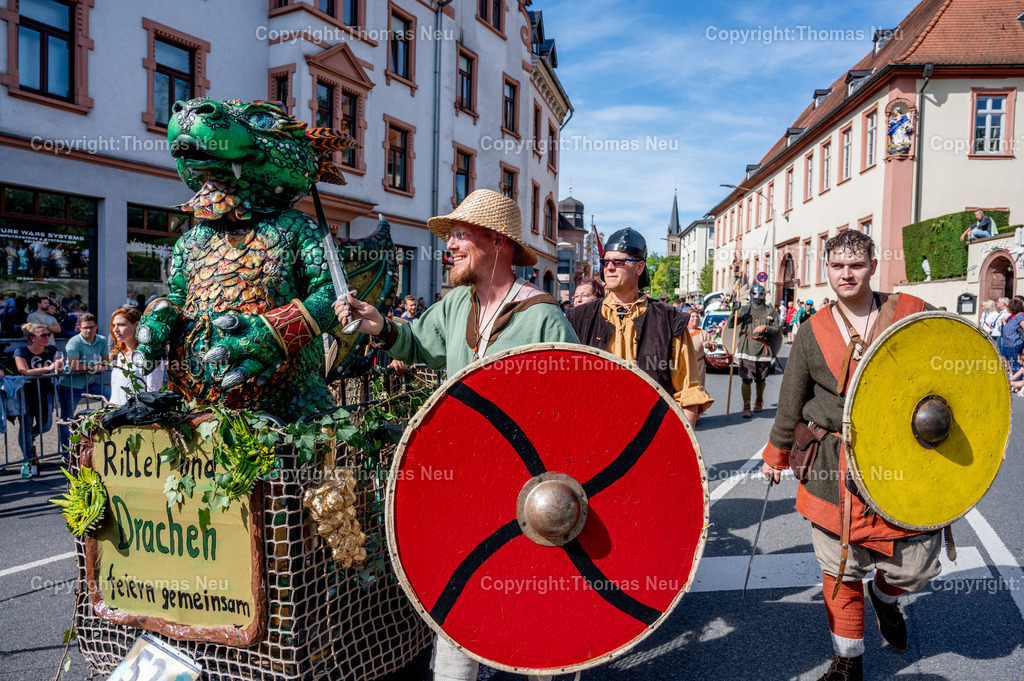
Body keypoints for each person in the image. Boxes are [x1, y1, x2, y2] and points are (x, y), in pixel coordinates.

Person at [333, 189, 577, 681]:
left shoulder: (542, 317)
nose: (451, 246)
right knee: (460, 600)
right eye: (452, 236)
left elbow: (575, 407)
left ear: (499, 243)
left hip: (528, 488)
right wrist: (379, 325)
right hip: (467, 486)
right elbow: (417, 343)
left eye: (463, 235)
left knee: (534, 604)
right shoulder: (454, 306)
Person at [761, 230, 939, 681]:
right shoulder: (811, 331)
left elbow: (950, 365)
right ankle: (847, 661)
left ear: (872, 266)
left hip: (901, 461)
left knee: (915, 564)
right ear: (826, 269)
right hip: (831, 465)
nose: (846, 274)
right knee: (840, 568)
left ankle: (885, 596)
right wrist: (776, 454)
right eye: (837, 265)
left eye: (856, 265)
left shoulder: (911, 313)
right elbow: (791, 400)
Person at [565, 228, 712, 427]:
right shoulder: (579, 318)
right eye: (606, 262)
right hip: (592, 428)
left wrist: (683, 439)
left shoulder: (668, 319)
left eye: (619, 262)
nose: (609, 267)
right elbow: (562, 384)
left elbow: (688, 391)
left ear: (639, 267)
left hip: (651, 431)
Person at [13, 323, 63, 477]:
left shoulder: (51, 350)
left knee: (46, 425)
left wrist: (59, 367)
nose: (47, 337)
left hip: (45, 390)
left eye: (48, 335)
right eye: (43, 335)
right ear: (32, 338)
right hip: (27, 392)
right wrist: (48, 368)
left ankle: (29, 439)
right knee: (26, 426)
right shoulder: (21, 351)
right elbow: (24, 371)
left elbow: (58, 368)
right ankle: (27, 460)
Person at [725, 283, 780, 417]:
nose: (758, 297)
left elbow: (777, 330)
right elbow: (731, 325)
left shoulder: (770, 311)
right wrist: (734, 311)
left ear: (764, 295)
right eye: (755, 294)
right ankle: (746, 406)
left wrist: (766, 328)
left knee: (761, 379)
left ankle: (759, 400)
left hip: (763, 349)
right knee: (746, 378)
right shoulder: (744, 309)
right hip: (747, 347)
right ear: (751, 295)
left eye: (761, 294)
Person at [57, 313, 108, 455]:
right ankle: (67, 453)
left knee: (112, 398)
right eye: (85, 328)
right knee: (67, 419)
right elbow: (74, 366)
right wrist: (93, 367)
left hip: (89, 383)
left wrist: (102, 366)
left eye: (91, 327)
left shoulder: (102, 340)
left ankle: (104, 437)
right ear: (79, 328)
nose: (88, 330)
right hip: (69, 385)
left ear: (96, 326)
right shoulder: (74, 342)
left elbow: (105, 361)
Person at [109, 306, 164, 405]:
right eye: (114, 325)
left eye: (121, 325)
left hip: (137, 412)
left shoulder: (150, 356)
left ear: (137, 325)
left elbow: (153, 393)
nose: (115, 330)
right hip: (115, 409)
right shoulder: (121, 355)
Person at [687, 308, 715, 388]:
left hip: (698, 365)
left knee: (698, 388)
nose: (695, 318)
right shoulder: (682, 332)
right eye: (693, 316)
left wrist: (709, 345)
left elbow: (713, 345)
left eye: (697, 316)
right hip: (684, 365)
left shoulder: (703, 333)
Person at [998, 297, 1024, 373]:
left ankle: (1017, 379)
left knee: (1015, 366)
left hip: (1015, 345)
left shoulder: (1020, 317)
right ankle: (1013, 378)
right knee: (1011, 365)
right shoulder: (1014, 316)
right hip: (1009, 344)